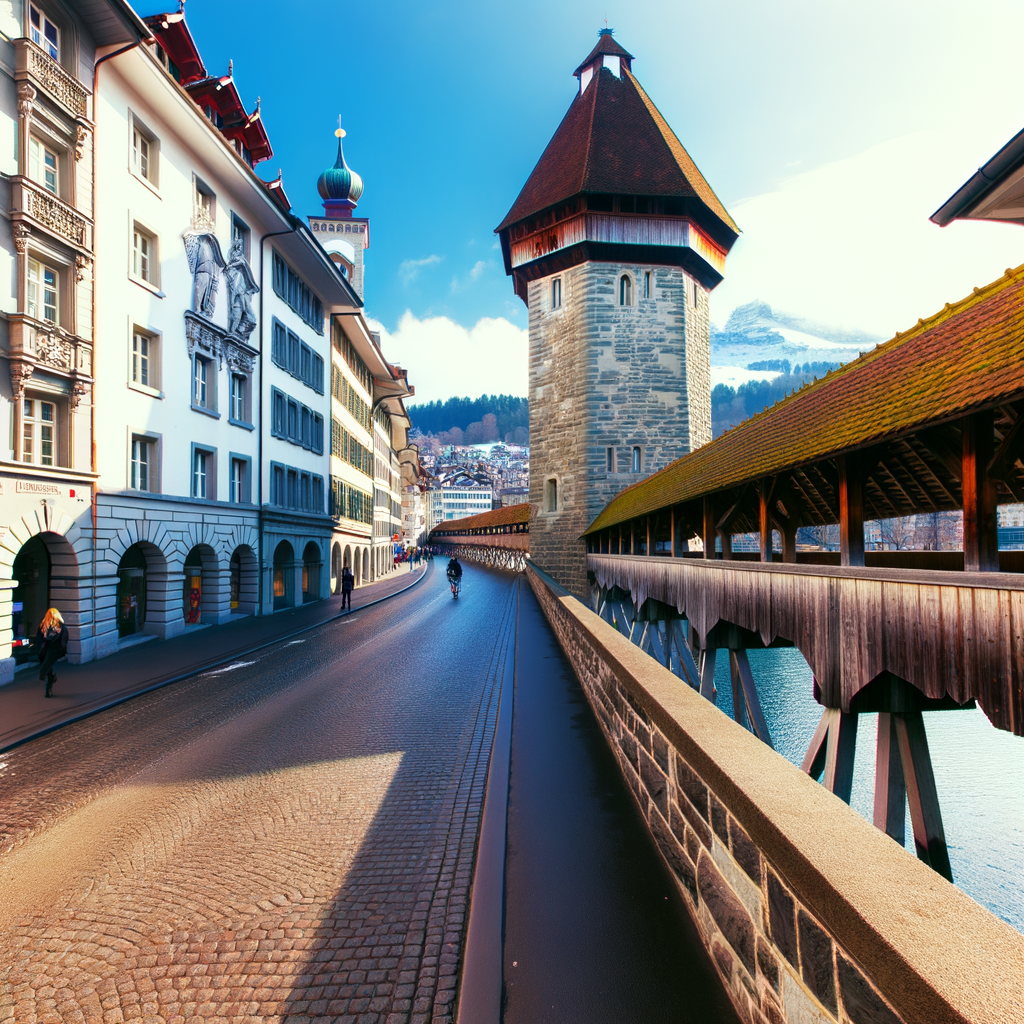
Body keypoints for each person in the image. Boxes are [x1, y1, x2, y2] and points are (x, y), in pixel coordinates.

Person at [36, 607, 68, 698]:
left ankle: (43, 675)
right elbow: (39, 638)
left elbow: (64, 639)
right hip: (47, 649)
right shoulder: (44, 626)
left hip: (53, 649)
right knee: (47, 665)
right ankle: (50, 683)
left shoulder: (60, 627)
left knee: (47, 662)